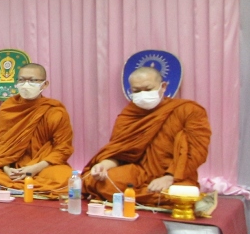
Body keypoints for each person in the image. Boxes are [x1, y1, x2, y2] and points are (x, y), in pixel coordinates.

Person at [83, 66, 212, 206]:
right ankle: (150, 196)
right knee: (105, 183)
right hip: (140, 173)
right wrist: (103, 166)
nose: (142, 94)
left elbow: (196, 152)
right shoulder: (129, 115)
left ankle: (135, 196)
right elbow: (120, 153)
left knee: (181, 192)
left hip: (176, 174)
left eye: (148, 89)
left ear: (163, 87)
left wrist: (169, 177)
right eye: (136, 91)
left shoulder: (189, 110)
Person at [0, 64, 74, 194]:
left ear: (45, 84)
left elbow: (63, 148)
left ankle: (14, 187)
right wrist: (7, 169)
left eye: (32, 80)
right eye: (21, 80)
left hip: (42, 165)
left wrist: (35, 168)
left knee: (66, 178)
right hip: (13, 166)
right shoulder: (8, 108)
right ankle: (29, 187)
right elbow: (1, 145)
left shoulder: (55, 111)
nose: (26, 84)